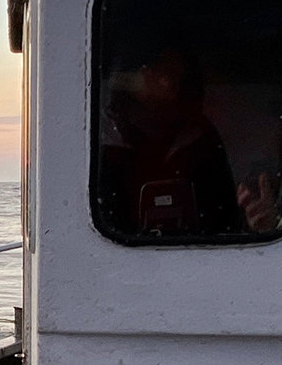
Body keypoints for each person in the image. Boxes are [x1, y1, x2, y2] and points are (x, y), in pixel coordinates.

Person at [95, 46, 244, 236]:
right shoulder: (102, 139)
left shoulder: (200, 138)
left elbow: (225, 220)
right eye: (153, 68)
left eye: (174, 72)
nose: (166, 81)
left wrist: (253, 220)